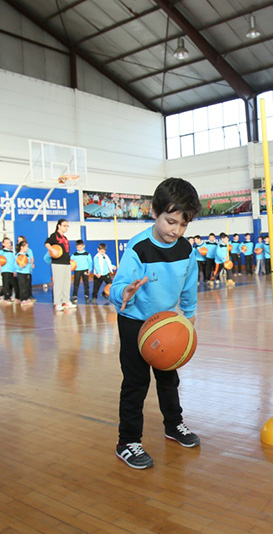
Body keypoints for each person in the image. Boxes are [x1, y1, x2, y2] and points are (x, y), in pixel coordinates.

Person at [110, 178, 202, 470]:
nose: (176, 230)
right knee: (136, 383)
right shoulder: (138, 248)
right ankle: (127, 441)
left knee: (169, 380)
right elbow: (119, 285)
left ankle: (173, 424)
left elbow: (189, 284)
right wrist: (124, 292)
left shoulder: (186, 249)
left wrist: (189, 313)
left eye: (183, 225)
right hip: (134, 323)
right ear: (154, 213)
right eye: (170, 222)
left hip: (166, 325)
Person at [45, 219, 76, 311]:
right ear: (59, 226)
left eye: (67, 226)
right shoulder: (54, 236)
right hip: (57, 263)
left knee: (67, 283)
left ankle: (66, 301)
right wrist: (52, 250)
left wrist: (70, 261)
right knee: (58, 284)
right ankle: (57, 303)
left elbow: (67, 251)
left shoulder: (65, 238)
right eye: (64, 225)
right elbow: (47, 243)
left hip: (66, 263)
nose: (66, 228)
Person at [71, 240, 93, 304]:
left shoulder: (87, 254)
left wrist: (89, 269)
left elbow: (90, 262)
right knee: (76, 284)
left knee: (86, 284)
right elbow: (71, 262)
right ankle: (74, 297)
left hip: (85, 270)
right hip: (77, 270)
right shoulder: (74, 255)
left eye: (80, 247)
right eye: (77, 247)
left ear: (83, 246)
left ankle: (87, 296)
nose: (79, 248)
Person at [0, 238, 17, 302]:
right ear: (3, 244)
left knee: (11, 284)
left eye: (9, 243)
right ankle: (6, 297)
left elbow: (13, 262)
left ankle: (4, 295)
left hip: (11, 271)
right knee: (6, 284)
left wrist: (14, 270)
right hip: (5, 270)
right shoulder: (2, 251)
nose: (9, 244)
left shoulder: (11, 252)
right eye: (7, 243)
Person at [15, 240, 35, 305]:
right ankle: (23, 299)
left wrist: (31, 266)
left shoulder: (27, 255)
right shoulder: (18, 255)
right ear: (22, 247)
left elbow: (28, 263)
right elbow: (15, 265)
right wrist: (20, 267)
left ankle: (27, 298)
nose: (27, 248)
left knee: (27, 286)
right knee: (22, 286)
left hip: (27, 272)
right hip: (21, 273)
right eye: (26, 246)